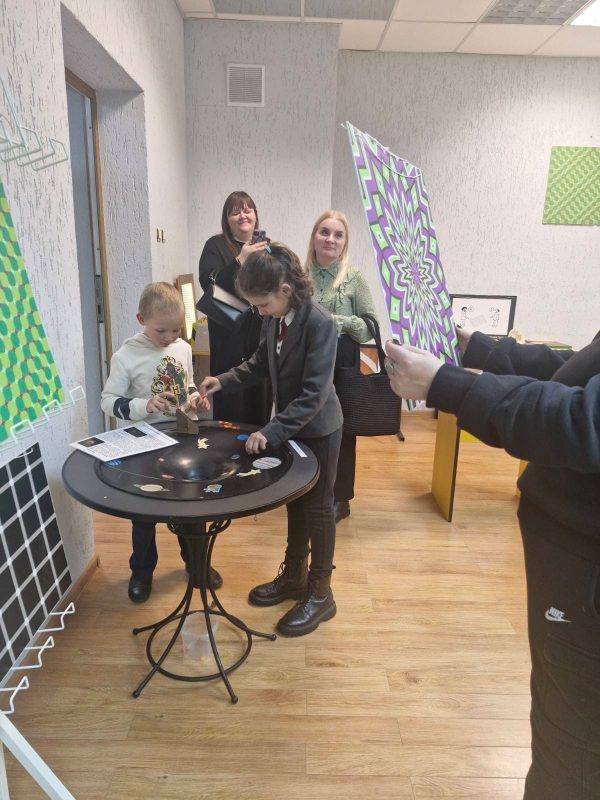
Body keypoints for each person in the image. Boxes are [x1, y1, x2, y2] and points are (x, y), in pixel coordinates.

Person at [384, 326, 600, 800]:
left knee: (572, 750)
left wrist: (450, 385)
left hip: (587, 585)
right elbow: (578, 369)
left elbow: (585, 418)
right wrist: (480, 349)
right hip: (570, 567)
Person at [199, 244, 343, 637]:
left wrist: (270, 431)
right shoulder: (274, 318)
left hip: (320, 429)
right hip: (292, 428)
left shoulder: (320, 323)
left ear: (284, 290)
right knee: (296, 503)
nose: (259, 312)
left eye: (262, 304)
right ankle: (294, 576)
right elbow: (261, 363)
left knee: (319, 509)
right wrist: (222, 380)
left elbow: (313, 396)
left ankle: (321, 593)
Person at [100, 282, 222, 603]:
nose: (170, 337)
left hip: (183, 439)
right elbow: (108, 401)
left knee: (190, 507)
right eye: (161, 331)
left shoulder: (182, 348)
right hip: (144, 446)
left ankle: (196, 564)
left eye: (176, 329)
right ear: (141, 319)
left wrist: (195, 400)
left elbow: (188, 385)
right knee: (143, 514)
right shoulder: (126, 356)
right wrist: (144, 405)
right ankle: (142, 572)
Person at [304, 210, 378, 524]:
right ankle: (306, 488)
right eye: (324, 232)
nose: (330, 239)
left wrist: (339, 322)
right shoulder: (299, 276)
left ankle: (340, 498)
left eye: (338, 234)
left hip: (342, 363)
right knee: (306, 426)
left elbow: (370, 327)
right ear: (314, 236)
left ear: (345, 241)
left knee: (342, 430)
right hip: (306, 362)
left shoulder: (354, 278)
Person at [198, 190, 270, 426]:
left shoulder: (266, 247)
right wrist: (240, 259)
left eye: (248, 210)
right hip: (228, 337)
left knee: (259, 397)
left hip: (260, 334)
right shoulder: (215, 245)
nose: (243, 216)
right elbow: (208, 283)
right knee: (230, 403)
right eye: (235, 212)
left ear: (255, 215)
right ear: (227, 219)